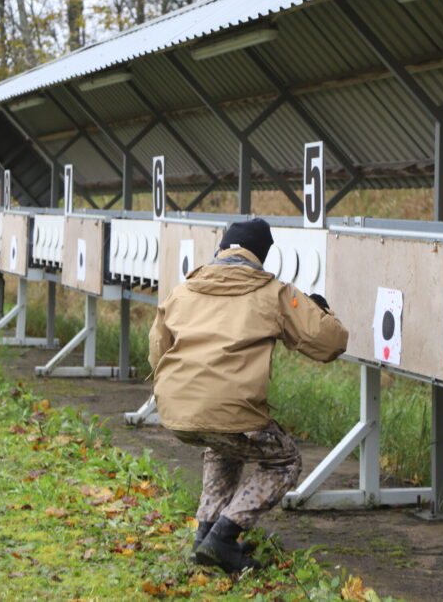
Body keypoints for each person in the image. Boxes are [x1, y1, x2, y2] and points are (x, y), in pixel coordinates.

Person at [149, 218, 348, 573]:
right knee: (284, 461)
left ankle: (205, 536)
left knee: (225, 443)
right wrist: (319, 309)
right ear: (261, 256)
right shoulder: (274, 292)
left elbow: (156, 351)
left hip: (176, 410)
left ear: (223, 247)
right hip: (230, 408)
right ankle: (225, 536)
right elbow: (330, 343)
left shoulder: (182, 290)